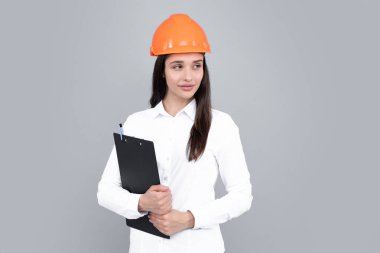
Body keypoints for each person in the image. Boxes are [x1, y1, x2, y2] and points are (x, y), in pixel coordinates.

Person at [97, 13, 253, 253]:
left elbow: (242, 195)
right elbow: (105, 191)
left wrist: (190, 218)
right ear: (162, 70)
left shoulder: (220, 125)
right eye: (177, 66)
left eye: (196, 65)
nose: (189, 76)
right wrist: (140, 202)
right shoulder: (137, 123)